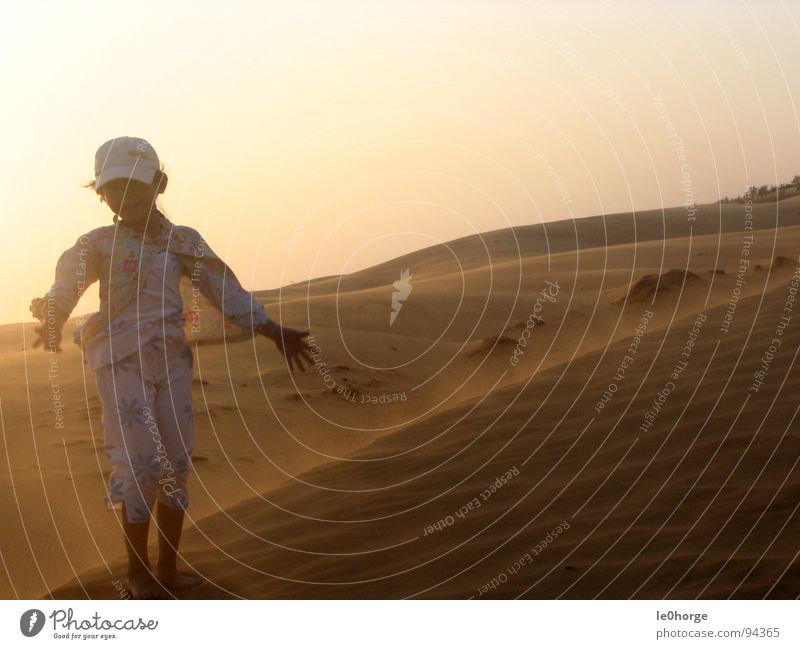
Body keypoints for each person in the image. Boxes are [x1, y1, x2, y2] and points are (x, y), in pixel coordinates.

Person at [30, 136, 313, 599]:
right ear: (100, 193)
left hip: (172, 358)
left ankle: (168, 569)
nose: (124, 195)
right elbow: (67, 283)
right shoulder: (97, 244)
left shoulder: (185, 241)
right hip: (121, 360)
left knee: (174, 462)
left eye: (134, 184)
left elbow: (226, 291)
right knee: (139, 462)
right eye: (113, 188)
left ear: (158, 183)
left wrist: (270, 328)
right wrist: (55, 316)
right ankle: (137, 573)